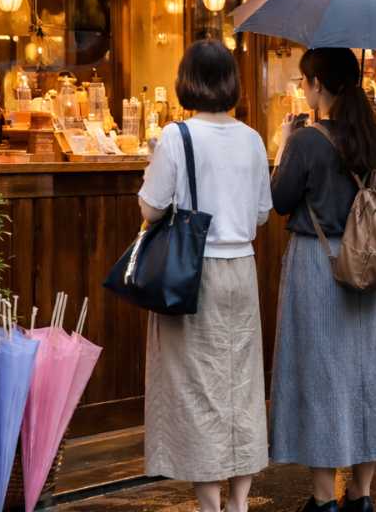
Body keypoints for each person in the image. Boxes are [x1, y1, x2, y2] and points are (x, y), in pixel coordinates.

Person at [139, 40, 272, 512]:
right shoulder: (252, 138)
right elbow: (262, 213)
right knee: (242, 385)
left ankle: (211, 503)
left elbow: (151, 208)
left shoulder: (177, 137)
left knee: (197, 387)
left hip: (193, 271)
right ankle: (240, 499)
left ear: (187, 81)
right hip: (243, 268)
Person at [269, 48, 376, 512]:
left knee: (320, 374)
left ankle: (323, 498)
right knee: (366, 376)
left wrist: (283, 145)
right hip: (368, 263)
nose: (304, 89)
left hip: (317, 262)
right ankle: (360, 494)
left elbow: (280, 200)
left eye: (305, 81)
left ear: (318, 84)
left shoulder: (306, 141)